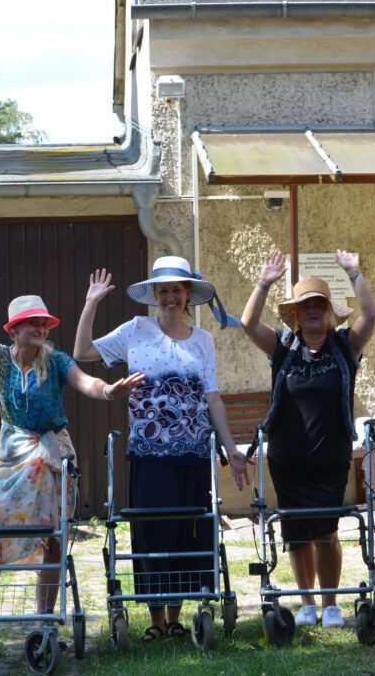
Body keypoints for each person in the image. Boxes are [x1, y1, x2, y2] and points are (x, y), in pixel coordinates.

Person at [72, 256, 249, 642]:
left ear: (188, 295)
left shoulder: (203, 340)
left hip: (194, 453)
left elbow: (213, 399)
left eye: (177, 290)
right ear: (154, 295)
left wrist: (231, 448)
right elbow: (83, 350)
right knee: (153, 532)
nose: (170, 297)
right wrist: (92, 302)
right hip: (149, 452)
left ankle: (175, 617)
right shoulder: (136, 329)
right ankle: (154, 619)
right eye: (163, 290)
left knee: (190, 532)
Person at [0, 260, 143, 617]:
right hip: (11, 454)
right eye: (33, 323)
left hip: (53, 454)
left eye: (44, 322)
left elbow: (86, 382)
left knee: (52, 534)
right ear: (14, 329)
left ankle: (45, 615)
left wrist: (109, 391)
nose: (41, 327)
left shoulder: (55, 360)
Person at [240, 250, 375, 628]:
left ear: (330, 313)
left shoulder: (344, 347)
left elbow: (371, 315)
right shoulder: (283, 347)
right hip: (288, 460)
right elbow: (248, 323)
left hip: (330, 459)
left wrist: (354, 273)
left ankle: (331, 604)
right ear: (296, 316)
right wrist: (265, 281)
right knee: (296, 532)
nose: (313, 310)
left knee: (327, 531)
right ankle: (306, 604)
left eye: (319, 305)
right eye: (305, 306)